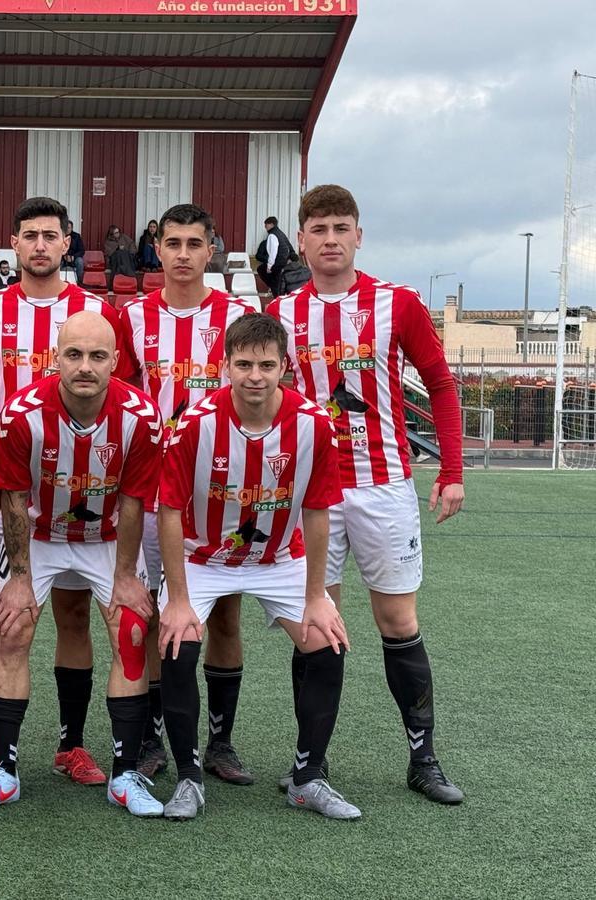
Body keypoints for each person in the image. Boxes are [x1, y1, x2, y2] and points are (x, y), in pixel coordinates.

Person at [266, 184, 465, 805]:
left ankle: (424, 759)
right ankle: (311, 765)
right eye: (319, 228)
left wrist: (452, 468)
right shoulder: (280, 315)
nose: (330, 239)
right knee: (318, 625)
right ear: (301, 239)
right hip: (311, 495)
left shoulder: (396, 302)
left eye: (341, 227)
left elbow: (439, 381)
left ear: (359, 234)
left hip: (383, 487)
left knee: (396, 620)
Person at [0, 196, 123, 787]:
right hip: (8, 492)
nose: (41, 245)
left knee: (74, 615)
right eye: (30, 235)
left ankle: (71, 745)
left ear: (67, 243)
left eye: (51, 235)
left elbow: (122, 393)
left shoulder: (97, 311)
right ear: (14, 245)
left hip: (86, 491)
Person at [0, 310, 164, 817]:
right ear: (56, 358)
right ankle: (4, 773)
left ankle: (125, 777)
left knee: (132, 633)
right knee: (12, 629)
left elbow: (136, 501)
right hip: (41, 533)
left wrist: (124, 578)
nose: (85, 366)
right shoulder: (20, 413)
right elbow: (10, 498)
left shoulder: (141, 414)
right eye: (74, 354)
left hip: (108, 537)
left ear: (117, 360)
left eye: (98, 356)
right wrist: (20, 580)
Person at [156, 313, 355, 820]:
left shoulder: (314, 423)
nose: (254, 376)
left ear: (285, 366)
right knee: (178, 641)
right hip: (203, 557)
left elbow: (316, 510)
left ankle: (307, 778)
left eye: (267, 364)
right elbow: (171, 511)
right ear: (224, 366)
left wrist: (316, 597)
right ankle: (188, 777)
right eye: (243, 364)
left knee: (327, 642)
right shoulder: (193, 425)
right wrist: (178, 600)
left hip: (277, 559)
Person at [115, 203, 257, 783]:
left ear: (210, 250)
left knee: (224, 616)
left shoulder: (239, 315)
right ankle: (149, 737)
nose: (181, 254)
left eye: (193, 244)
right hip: (151, 491)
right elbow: (120, 397)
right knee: (148, 615)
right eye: (171, 243)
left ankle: (220, 743)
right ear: (157, 248)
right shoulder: (129, 318)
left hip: (219, 491)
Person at [256, 216, 294, 297]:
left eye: (266, 224)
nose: (265, 227)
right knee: (278, 282)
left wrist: (270, 266)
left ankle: (276, 296)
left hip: (277, 263)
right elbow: (289, 247)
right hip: (285, 262)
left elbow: (273, 252)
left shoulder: (272, 235)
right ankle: (278, 294)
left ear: (271, 224)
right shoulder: (281, 233)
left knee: (262, 271)